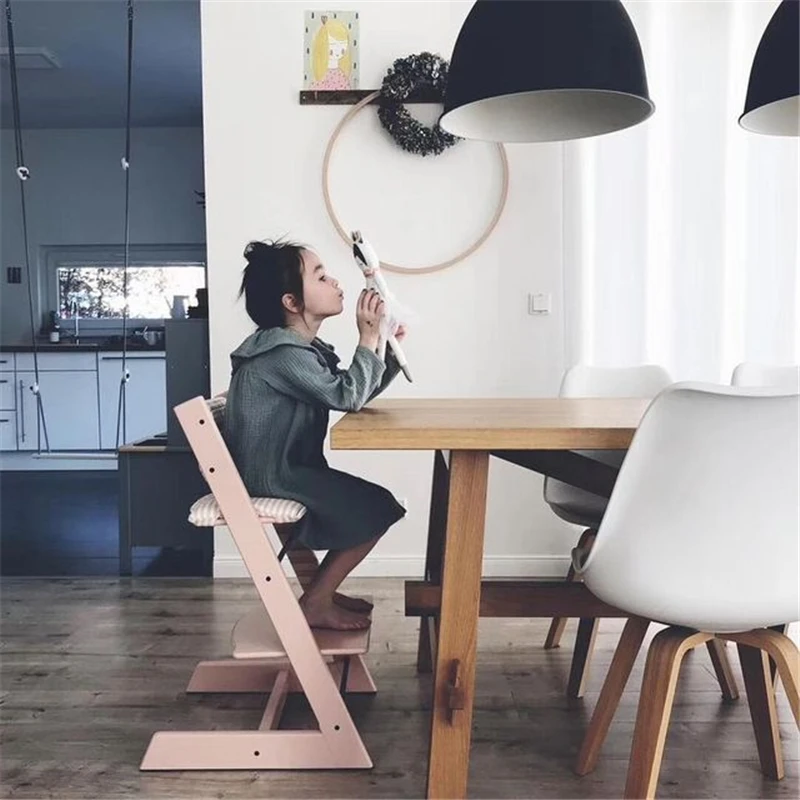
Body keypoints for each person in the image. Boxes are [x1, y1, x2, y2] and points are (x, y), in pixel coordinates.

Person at [224, 239, 406, 630]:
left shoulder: (295, 349)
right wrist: (367, 338)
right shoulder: (283, 354)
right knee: (377, 508)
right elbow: (347, 395)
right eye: (320, 276)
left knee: (371, 504)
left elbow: (349, 389)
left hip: (281, 468)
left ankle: (320, 591)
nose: (334, 280)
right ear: (292, 302)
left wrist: (385, 353)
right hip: (274, 475)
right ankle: (317, 600)